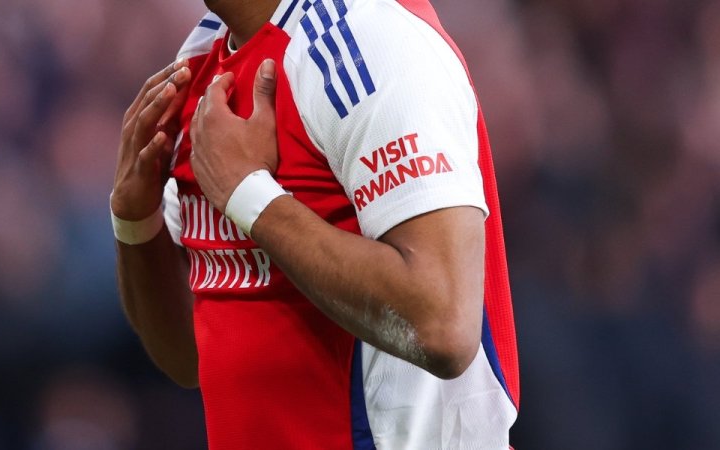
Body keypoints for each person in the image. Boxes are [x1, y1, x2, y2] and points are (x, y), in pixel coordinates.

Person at [110, 0, 519, 448]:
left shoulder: (373, 45)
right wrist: (136, 224)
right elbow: (186, 357)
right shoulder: (200, 57)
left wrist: (250, 196)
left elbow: (442, 325)